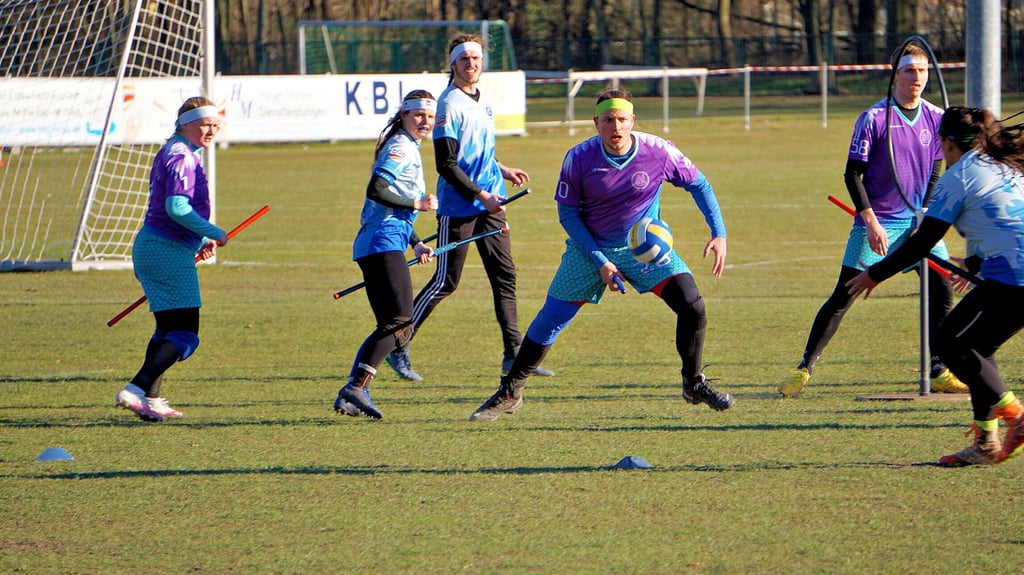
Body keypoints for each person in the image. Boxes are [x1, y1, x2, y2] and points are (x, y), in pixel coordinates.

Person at [468, 88, 734, 421]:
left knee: (692, 305)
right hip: (588, 249)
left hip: (642, 247)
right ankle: (509, 392)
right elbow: (568, 215)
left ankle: (693, 383)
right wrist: (602, 262)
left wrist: (719, 233)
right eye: (608, 120)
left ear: (633, 120)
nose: (616, 127)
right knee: (549, 323)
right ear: (596, 123)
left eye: (622, 119)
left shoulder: (659, 151)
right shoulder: (578, 158)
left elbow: (700, 184)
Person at [779, 43, 967, 397]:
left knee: (941, 287)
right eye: (910, 70)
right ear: (896, 74)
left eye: (923, 71)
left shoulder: (935, 117)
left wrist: (925, 212)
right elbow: (853, 174)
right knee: (845, 294)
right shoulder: (874, 118)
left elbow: (936, 167)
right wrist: (869, 220)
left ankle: (940, 369)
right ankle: (804, 367)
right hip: (878, 223)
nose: (917, 78)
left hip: (917, 224)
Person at [847, 106, 1024, 465]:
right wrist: (974, 262)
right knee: (977, 349)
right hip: (1008, 273)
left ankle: (1017, 417)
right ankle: (986, 444)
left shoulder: (958, 177)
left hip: (1015, 279)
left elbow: (920, 244)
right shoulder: (1003, 165)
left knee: (949, 342)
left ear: (946, 142)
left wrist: (874, 274)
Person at [383, 33, 553, 382]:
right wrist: (481, 194)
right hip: (460, 206)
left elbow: (479, 152)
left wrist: (502, 170)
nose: (471, 64)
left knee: (504, 277)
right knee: (446, 281)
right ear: (453, 63)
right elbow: (446, 163)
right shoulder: (447, 105)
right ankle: (397, 345)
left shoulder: (482, 99)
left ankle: (514, 354)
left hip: (490, 203)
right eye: (464, 59)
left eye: (475, 58)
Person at [115, 96, 226, 422]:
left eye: (216, 124)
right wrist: (213, 231)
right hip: (165, 250)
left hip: (160, 246)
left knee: (167, 329)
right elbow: (177, 208)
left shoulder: (178, 151)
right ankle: (136, 388)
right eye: (205, 124)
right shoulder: (181, 157)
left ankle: (150, 398)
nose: (211, 130)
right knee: (186, 334)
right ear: (185, 123)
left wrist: (201, 237)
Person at [333, 91, 439, 419]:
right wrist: (417, 205)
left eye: (430, 116)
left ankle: (353, 393)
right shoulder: (400, 146)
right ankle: (355, 388)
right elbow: (376, 190)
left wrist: (417, 242)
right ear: (404, 115)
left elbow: (393, 209)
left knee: (393, 324)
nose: (424, 121)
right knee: (399, 322)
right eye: (418, 114)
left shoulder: (409, 146)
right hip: (381, 243)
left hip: (386, 241)